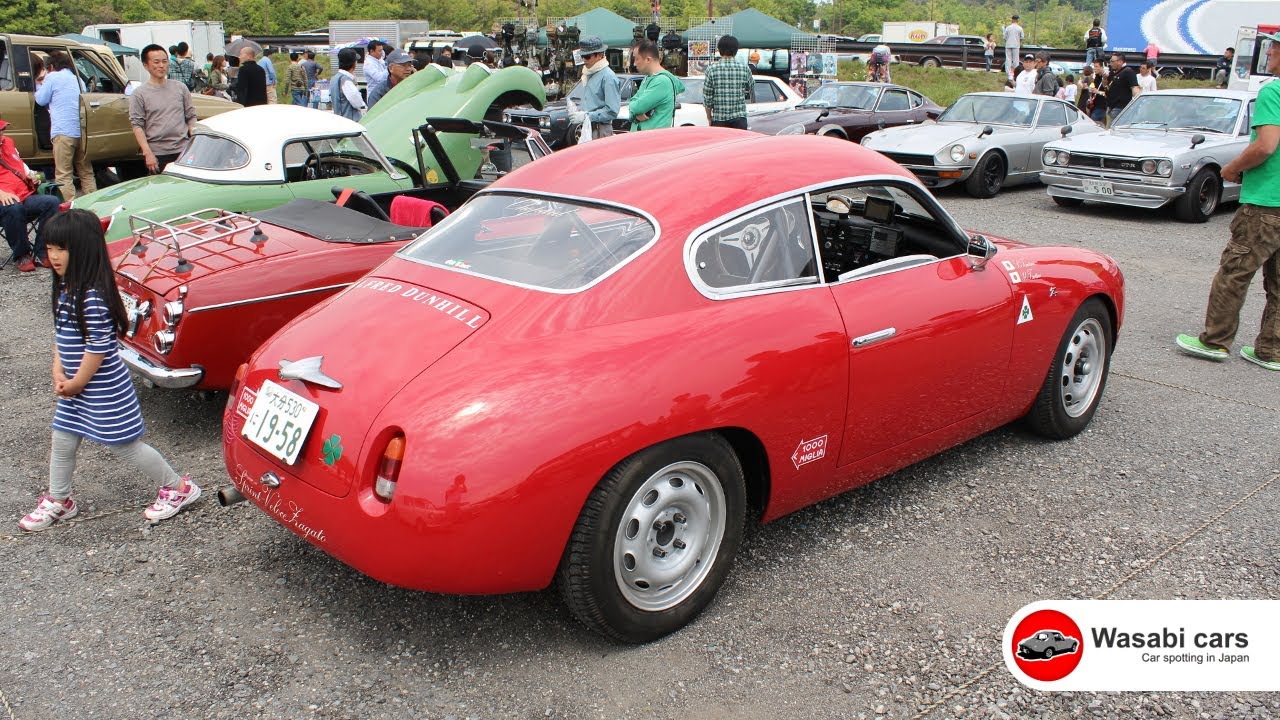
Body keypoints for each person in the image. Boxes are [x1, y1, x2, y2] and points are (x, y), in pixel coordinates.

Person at [17, 210, 200, 532]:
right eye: (49, 248)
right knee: (62, 439)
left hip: (102, 389)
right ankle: (60, 500)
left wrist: (76, 383)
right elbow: (63, 337)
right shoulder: (65, 290)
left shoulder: (92, 297)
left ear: (85, 249)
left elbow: (98, 348)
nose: (53, 256)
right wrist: (58, 370)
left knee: (123, 443)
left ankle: (179, 488)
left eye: (62, 248)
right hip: (76, 387)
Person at [1176, 34, 1280, 372]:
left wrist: (1233, 168)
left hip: (1266, 201)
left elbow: (1266, 145)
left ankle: (1215, 341)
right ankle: (1271, 350)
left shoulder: (1273, 91)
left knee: (1234, 272)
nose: (1271, 53)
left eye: (1273, 47)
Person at [0, 117, 60, 272]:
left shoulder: (8, 143)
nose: (2, 134)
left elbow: (20, 164)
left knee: (52, 202)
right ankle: (22, 255)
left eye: (2, 130)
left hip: (23, 196)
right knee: (13, 207)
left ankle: (41, 252)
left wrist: (30, 175)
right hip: (6, 204)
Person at [34, 52, 94, 202]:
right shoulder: (77, 79)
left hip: (63, 131)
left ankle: (70, 208)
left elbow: (41, 100)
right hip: (81, 131)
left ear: (52, 66)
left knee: (64, 174)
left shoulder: (52, 77)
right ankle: (93, 206)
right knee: (86, 172)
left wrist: (38, 84)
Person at [129, 44, 197, 176]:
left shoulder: (180, 88)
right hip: (157, 154)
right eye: (156, 62)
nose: (161, 65)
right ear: (146, 65)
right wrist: (147, 153)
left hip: (183, 151)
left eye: (164, 61)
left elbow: (191, 117)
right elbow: (137, 126)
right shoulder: (139, 94)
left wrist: (193, 143)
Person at [628, 40, 684, 131]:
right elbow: (633, 105)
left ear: (648, 60)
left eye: (636, 58)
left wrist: (633, 110)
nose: (634, 63)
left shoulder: (661, 81)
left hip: (651, 140)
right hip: (644, 139)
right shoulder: (649, 78)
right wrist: (634, 112)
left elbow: (636, 107)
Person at [702, 34, 753, 129]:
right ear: (736, 50)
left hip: (719, 118)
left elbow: (707, 98)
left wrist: (709, 117)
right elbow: (751, 89)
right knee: (740, 144)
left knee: (722, 144)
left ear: (719, 49)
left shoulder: (711, 69)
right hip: (739, 118)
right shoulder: (745, 69)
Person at [574, 36, 620, 141]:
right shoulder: (587, 73)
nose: (584, 60)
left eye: (587, 56)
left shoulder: (608, 77)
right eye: (582, 56)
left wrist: (587, 116)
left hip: (601, 130)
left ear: (599, 55)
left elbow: (612, 111)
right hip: (588, 128)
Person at [331, 48, 366, 121]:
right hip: (351, 120)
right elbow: (358, 103)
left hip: (340, 119)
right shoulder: (346, 81)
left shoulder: (335, 78)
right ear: (354, 63)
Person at [1104, 52, 1138, 125]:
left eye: (1112, 61)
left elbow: (1134, 87)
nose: (1110, 63)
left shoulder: (1128, 72)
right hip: (1112, 106)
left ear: (1120, 62)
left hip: (1121, 107)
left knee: (1113, 129)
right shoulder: (1113, 72)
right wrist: (1105, 78)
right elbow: (1106, 86)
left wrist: (1136, 102)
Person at [1086, 58, 1108, 122]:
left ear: (1102, 67)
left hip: (1102, 105)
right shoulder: (1095, 77)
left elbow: (1108, 93)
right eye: (1094, 66)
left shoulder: (1106, 78)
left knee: (1094, 120)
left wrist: (1097, 92)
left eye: (1096, 66)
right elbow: (1092, 90)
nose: (1094, 68)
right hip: (1093, 105)